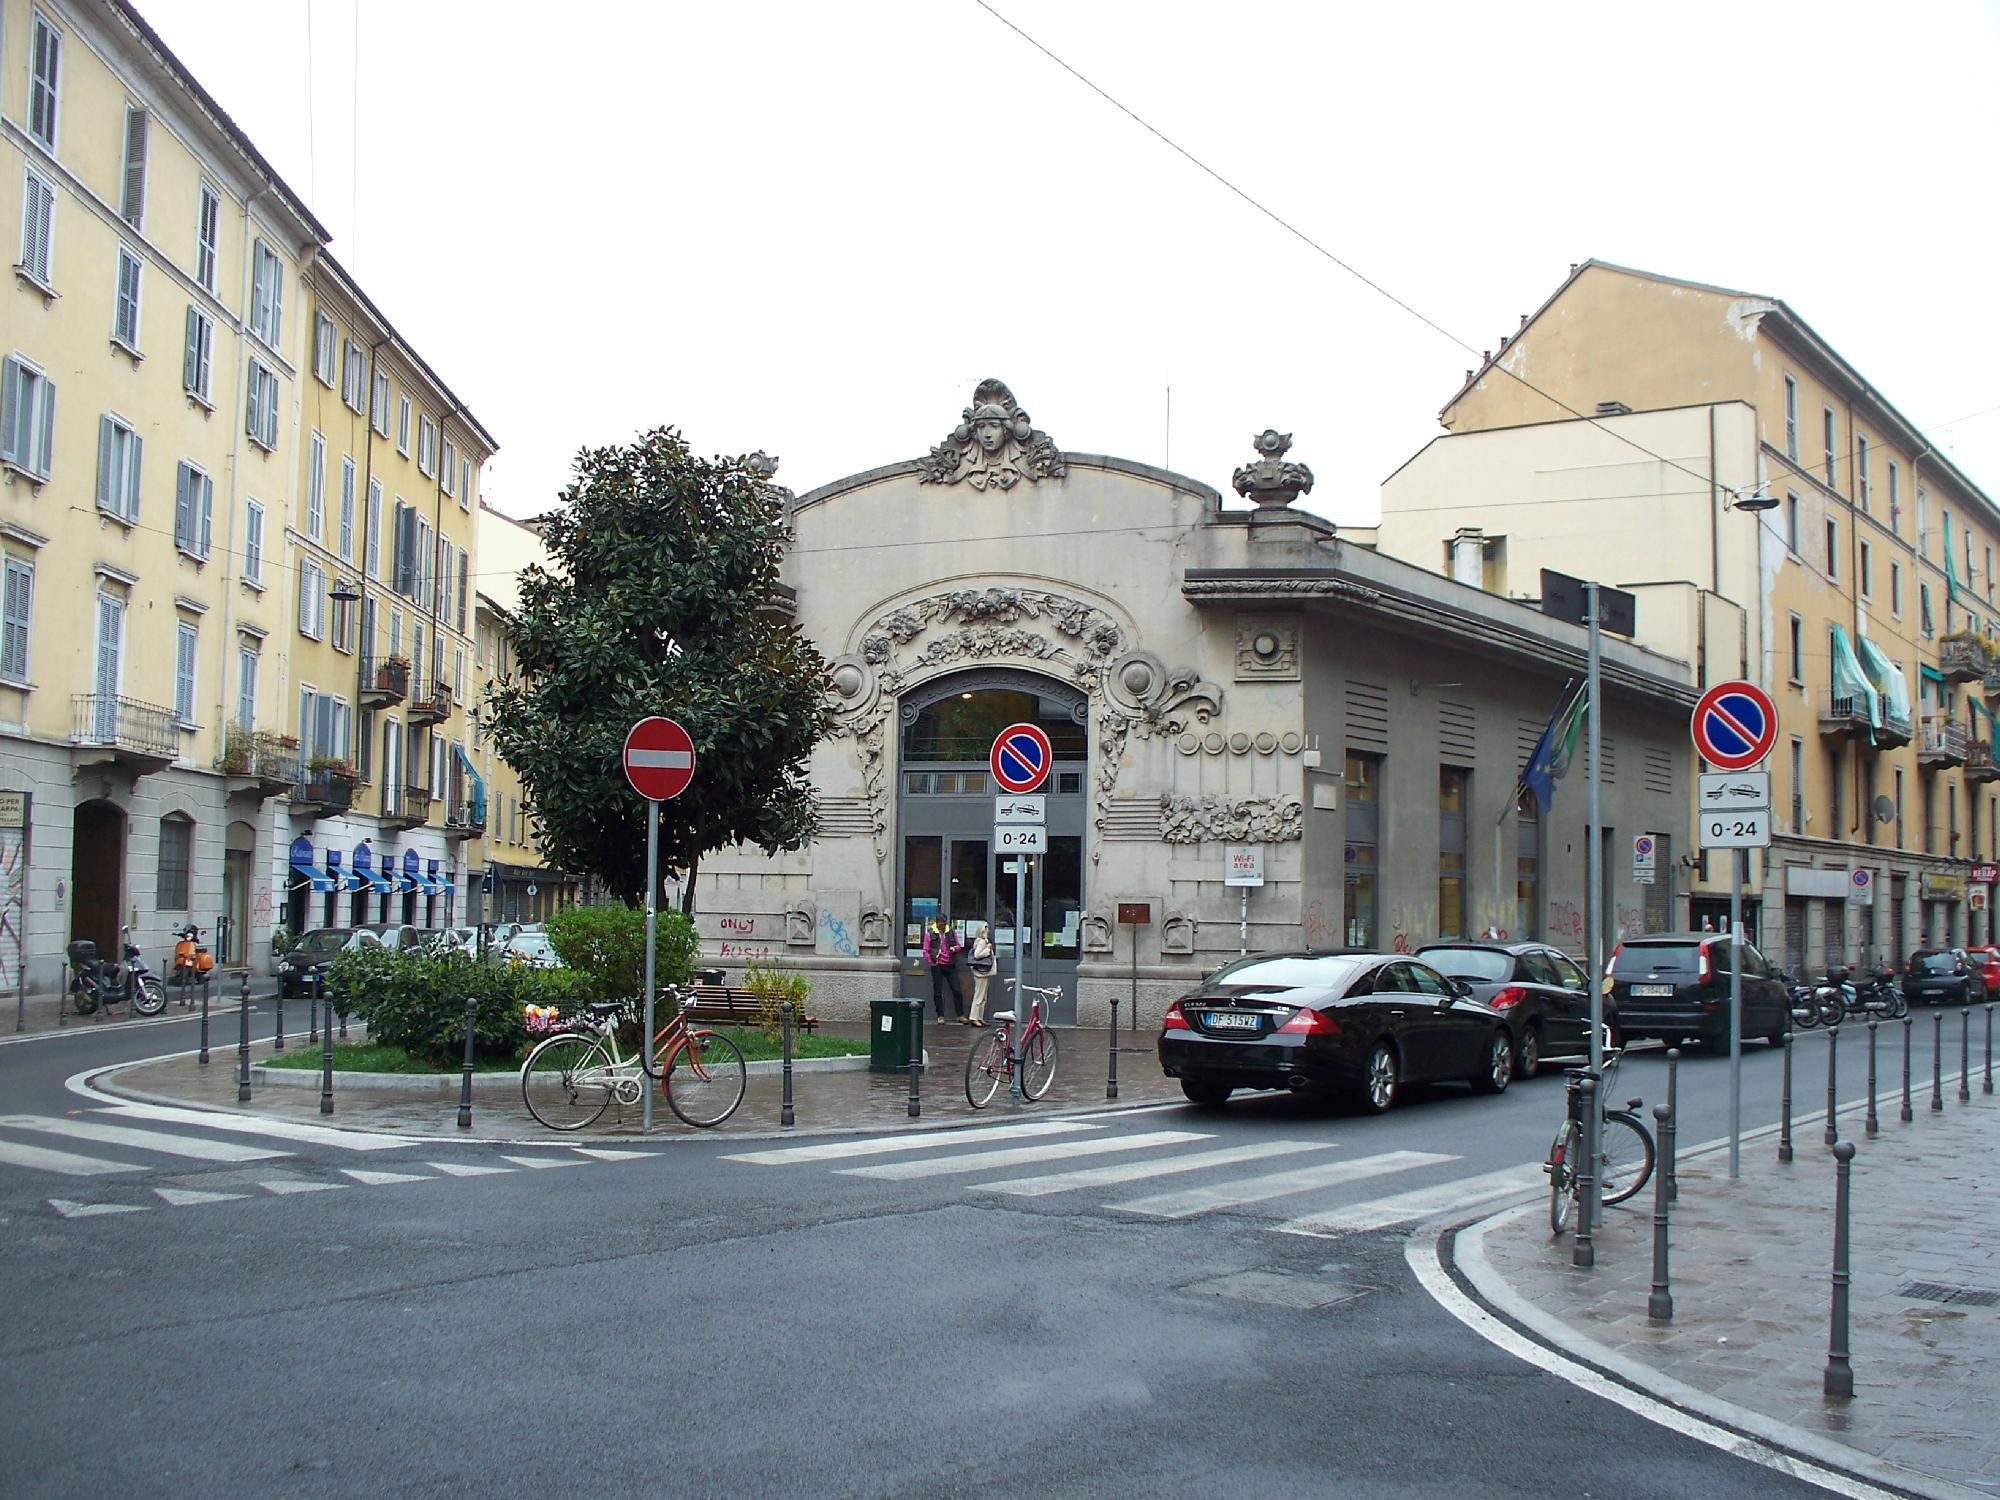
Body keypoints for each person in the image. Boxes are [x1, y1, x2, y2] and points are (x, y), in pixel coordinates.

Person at [922, 915, 966, 1022]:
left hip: (950, 964)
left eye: (944, 923)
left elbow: (958, 946)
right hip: (937, 964)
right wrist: (932, 962)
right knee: (938, 991)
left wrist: (954, 949)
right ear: (937, 923)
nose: (942, 925)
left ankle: (960, 1015)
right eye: (940, 923)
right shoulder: (930, 933)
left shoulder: (951, 932)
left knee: (957, 990)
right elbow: (925, 950)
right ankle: (940, 1015)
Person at [966, 922, 996, 1026]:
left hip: (983, 973)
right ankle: (974, 1017)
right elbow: (977, 955)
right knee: (979, 995)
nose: (988, 932)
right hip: (981, 972)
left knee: (983, 996)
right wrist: (987, 950)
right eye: (986, 930)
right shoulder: (981, 942)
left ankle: (979, 1017)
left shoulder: (981, 941)